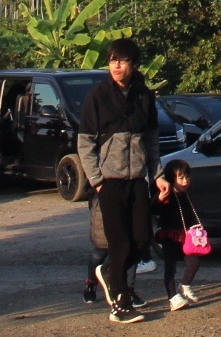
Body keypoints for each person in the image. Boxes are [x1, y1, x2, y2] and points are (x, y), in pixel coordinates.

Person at [80, 39, 158, 325]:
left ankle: (109, 272)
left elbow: (151, 142)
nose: (115, 65)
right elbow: (85, 143)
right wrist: (97, 180)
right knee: (119, 242)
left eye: (121, 60)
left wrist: (157, 176)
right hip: (109, 182)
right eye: (112, 59)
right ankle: (121, 303)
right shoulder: (97, 96)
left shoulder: (145, 96)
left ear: (133, 64)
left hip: (137, 179)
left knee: (142, 238)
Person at [153, 159, 205, 311]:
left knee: (194, 261)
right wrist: (159, 199)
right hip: (169, 236)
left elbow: (191, 214)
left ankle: (185, 285)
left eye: (187, 177)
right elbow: (153, 209)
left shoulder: (186, 195)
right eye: (180, 177)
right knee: (170, 266)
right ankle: (172, 297)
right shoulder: (166, 194)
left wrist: (197, 225)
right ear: (171, 179)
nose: (185, 181)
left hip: (187, 236)